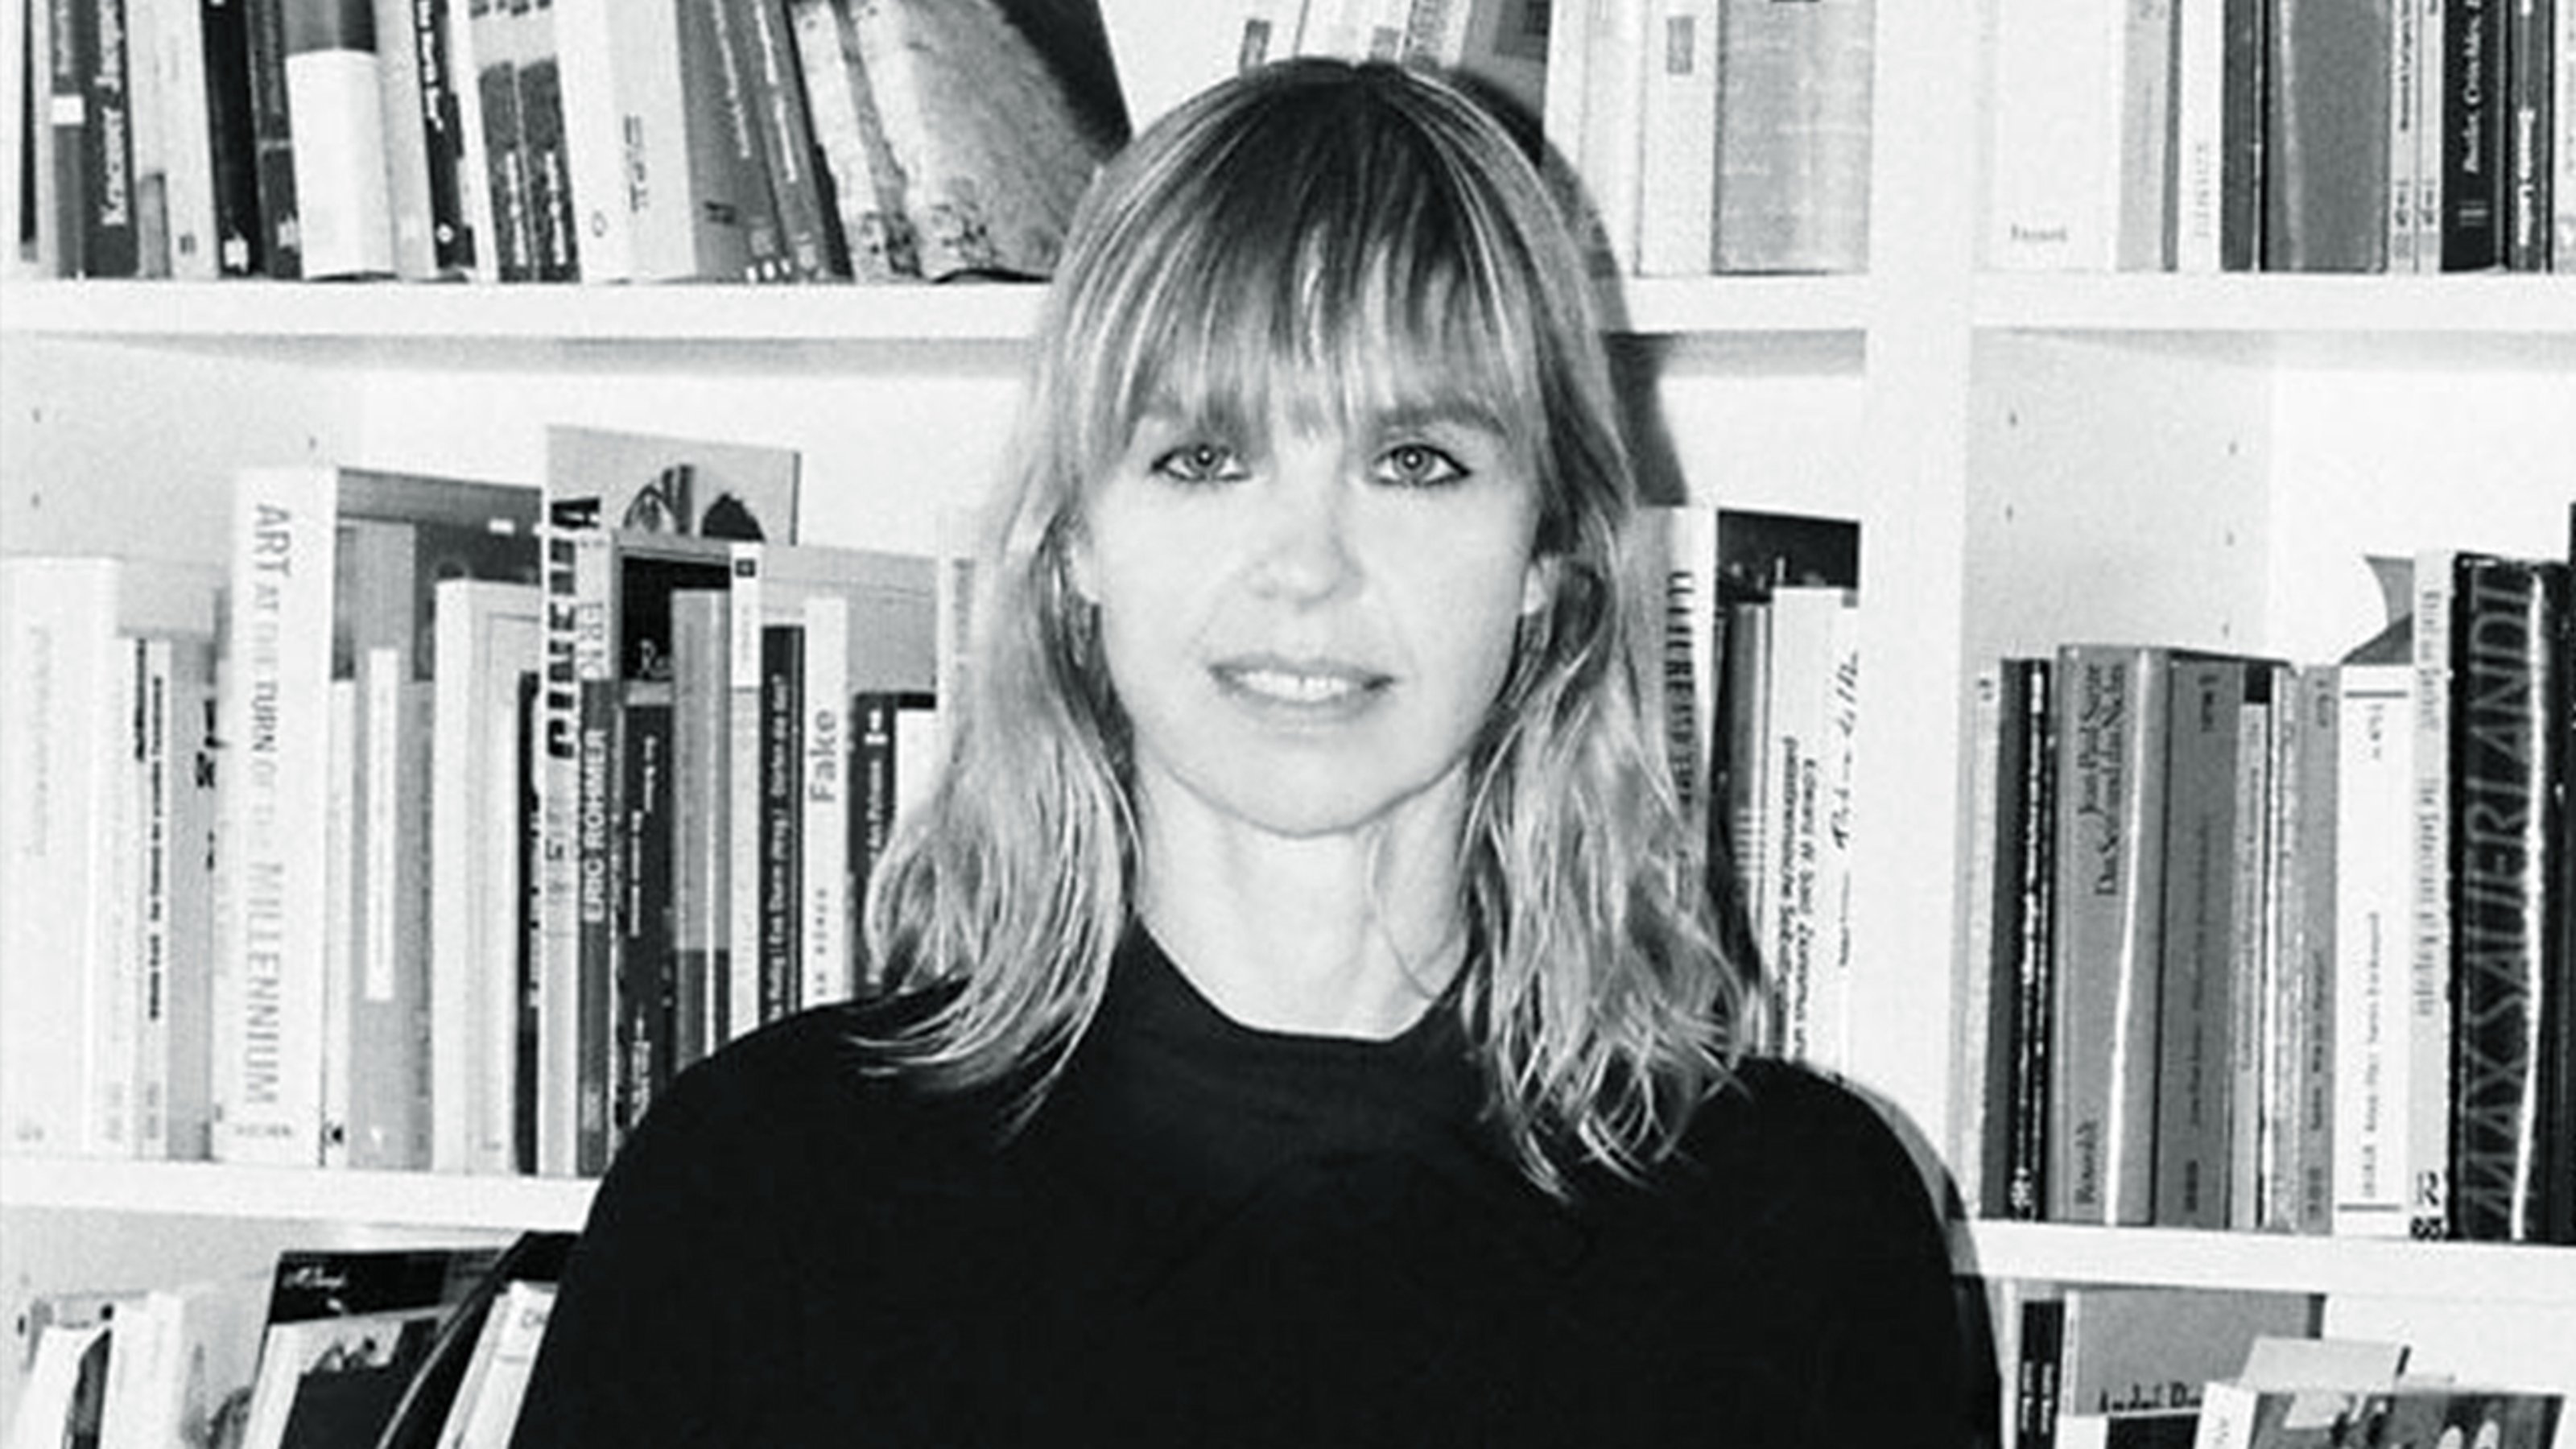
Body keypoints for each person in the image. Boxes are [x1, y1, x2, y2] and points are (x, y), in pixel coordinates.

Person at [511, 57, 1969, 1448]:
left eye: (1416, 463)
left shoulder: (1799, 1222)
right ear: (1076, 536)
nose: (1308, 569)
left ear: (1551, 555)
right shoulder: (774, 1186)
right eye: (1207, 458)